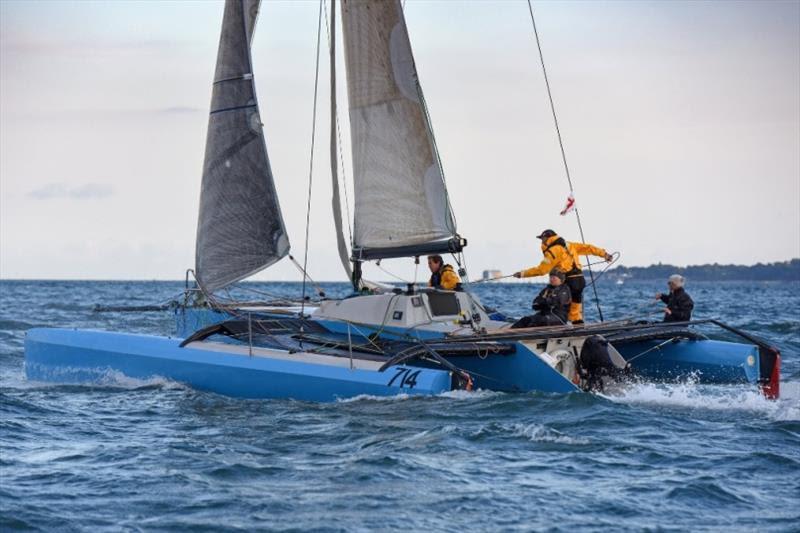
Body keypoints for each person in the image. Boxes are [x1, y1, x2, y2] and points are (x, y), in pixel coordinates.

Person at [513, 229, 613, 324]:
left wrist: (522, 274)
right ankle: (578, 327)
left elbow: (542, 270)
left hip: (568, 282)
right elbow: (589, 248)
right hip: (579, 280)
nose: (541, 242)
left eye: (542, 239)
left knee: (560, 306)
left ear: (548, 238)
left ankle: (556, 325)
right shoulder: (569, 245)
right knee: (575, 309)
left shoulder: (553, 251)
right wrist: (604, 254)